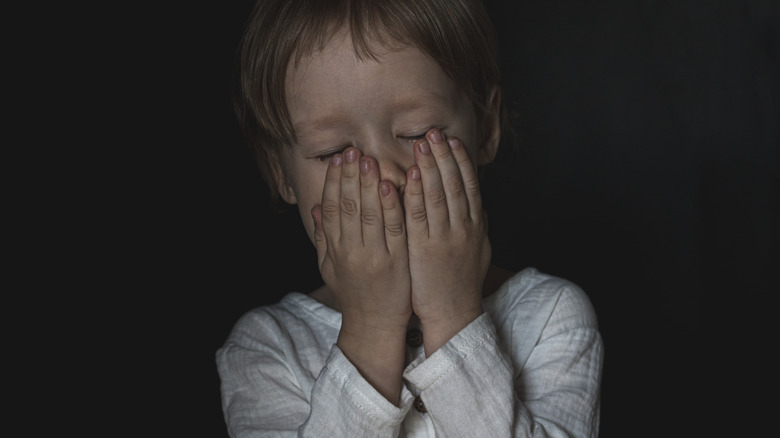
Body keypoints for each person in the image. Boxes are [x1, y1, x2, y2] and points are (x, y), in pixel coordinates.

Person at [217, 0, 603, 436]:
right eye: (332, 153)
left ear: (487, 126)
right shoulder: (267, 349)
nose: (384, 173)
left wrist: (452, 314)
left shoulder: (550, 317)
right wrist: (371, 328)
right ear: (280, 173)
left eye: (419, 133)